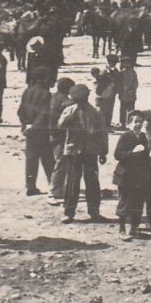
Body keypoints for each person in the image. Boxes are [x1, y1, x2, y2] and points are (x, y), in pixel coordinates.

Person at [56, 83, 107, 224]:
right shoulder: (70, 110)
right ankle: (69, 212)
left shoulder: (96, 111)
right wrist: (71, 114)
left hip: (91, 151)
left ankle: (94, 212)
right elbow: (60, 125)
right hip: (74, 151)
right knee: (72, 182)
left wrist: (103, 151)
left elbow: (102, 133)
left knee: (92, 182)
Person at [113, 111, 151, 238]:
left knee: (138, 202)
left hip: (139, 175)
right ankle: (122, 229)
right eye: (135, 122)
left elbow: (145, 155)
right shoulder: (126, 136)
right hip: (126, 175)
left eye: (140, 122)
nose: (138, 124)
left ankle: (134, 227)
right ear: (128, 124)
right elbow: (117, 154)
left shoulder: (142, 136)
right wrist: (132, 153)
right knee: (125, 202)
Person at [16, 67, 55, 196]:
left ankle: (30, 186)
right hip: (41, 131)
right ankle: (53, 184)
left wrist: (25, 124)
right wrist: (35, 126)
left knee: (31, 158)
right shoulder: (46, 93)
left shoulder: (27, 91)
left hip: (29, 131)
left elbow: (20, 111)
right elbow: (44, 113)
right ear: (44, 78)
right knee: (47, 158)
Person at [117, 56, 140, 126]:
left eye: (128, 63)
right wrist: (120, 90)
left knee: (131, 109)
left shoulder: (133, 73)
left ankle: (130, 122)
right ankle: (122, 123)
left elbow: (136, 83)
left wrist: (132, 90)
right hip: (123, 94)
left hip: (131, 95)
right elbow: (118, 82)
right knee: (122, 109)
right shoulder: (121, 73)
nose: (126, 65)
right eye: (124, 63)